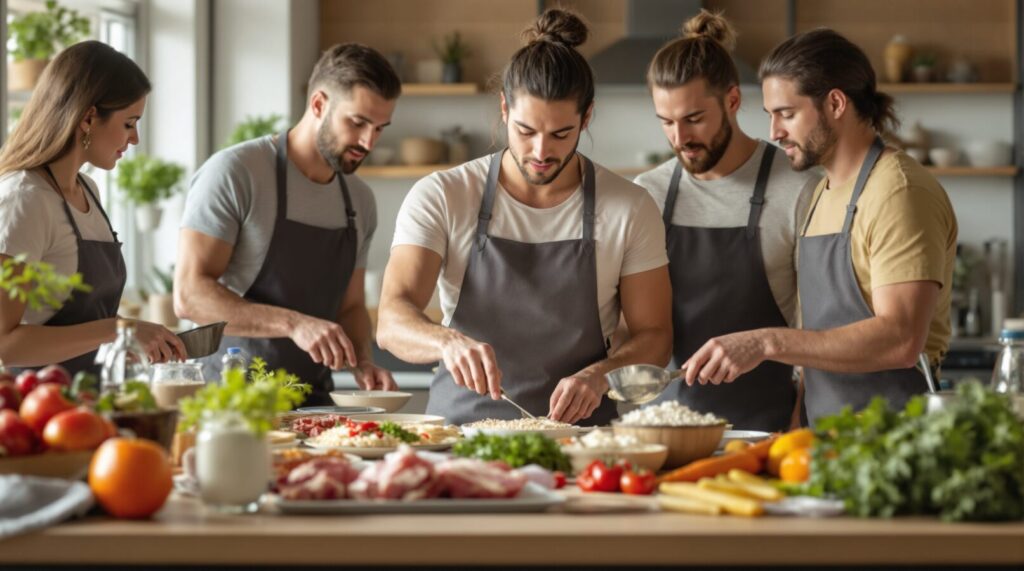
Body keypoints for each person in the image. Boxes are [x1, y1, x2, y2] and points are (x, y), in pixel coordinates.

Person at [376, 9, 672, 426]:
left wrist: (599, 376)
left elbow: (655, 337)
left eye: (560, 134)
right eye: (526, 130)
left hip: (580, 440)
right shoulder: (443, 195)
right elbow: (391, 319)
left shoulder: (629, 208)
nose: (540, 151)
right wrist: (447, 343)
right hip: (460, 436)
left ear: (586, 117)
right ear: (503, 109)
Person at [680, 28, 957, 426]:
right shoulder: (820, 194)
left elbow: (900, 339)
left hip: (896, 443)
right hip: (827, 440)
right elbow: (820, 341)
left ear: (836, 103)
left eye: (787, 114)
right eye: (771, 116)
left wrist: (765, 341)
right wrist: (797, 427)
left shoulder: (898, 191)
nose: (774, 132)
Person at [175, 44, 400, 404]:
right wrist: (295, 324)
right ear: (318, 104)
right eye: (357, 123)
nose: (368, 142)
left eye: (379, 129)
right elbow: (189, 296)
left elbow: (351, 307)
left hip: (313, 404)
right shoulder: (236, 173)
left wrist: (362, 362)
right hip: (229, 403)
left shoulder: (359, 201)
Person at [633, 11, 816, 431]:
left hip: (764, 430)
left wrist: (797, 425)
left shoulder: (798, 189)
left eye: (694, 119)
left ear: (732, 101)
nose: (679, 139)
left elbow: (819, 332)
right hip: (667, 428)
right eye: (666, 122)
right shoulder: (648, 194)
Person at [0, 41, 185, 373]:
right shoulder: (24, 199)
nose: (135, 139)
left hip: (91, 404)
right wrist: (118, 330)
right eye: (129, 123)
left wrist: (129, 339)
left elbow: (84, 328)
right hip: (37, 410)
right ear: (88, 118)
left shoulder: (89, 190)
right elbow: (4, 344)